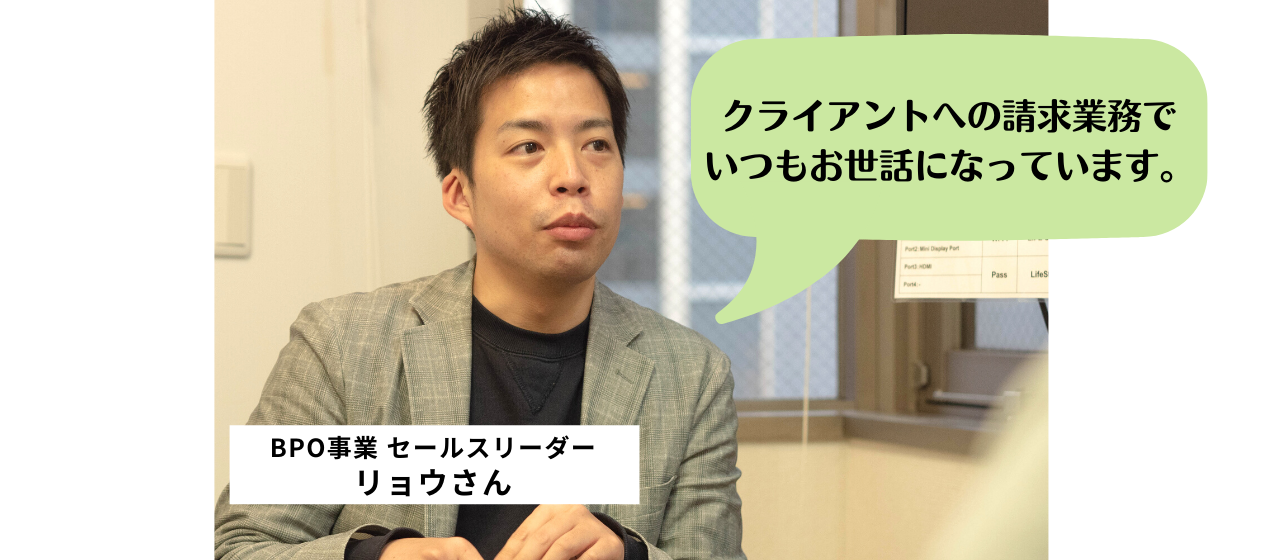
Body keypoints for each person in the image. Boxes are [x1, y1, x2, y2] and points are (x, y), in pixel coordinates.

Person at [214, 8, 745, 560]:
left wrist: (629, 555)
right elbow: (240, 547)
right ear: (460, 194)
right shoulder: (342, 345)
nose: (573, 176)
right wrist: (375, 557)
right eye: (529, 147)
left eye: (596, 144)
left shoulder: (692, 376)